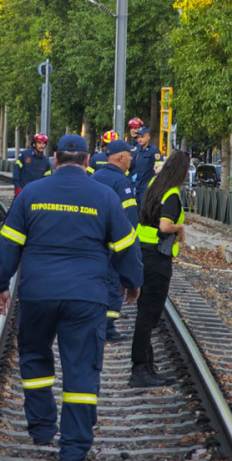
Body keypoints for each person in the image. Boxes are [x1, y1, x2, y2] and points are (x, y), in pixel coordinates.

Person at [0, 134, 143, 461]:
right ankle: (73, 450)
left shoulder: (32, 194)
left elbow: (9, 244)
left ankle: (43, 427)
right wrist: (133, 283)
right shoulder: (104, 196)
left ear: (55, 159)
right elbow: (127, 246)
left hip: (38, 292)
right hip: (86, 297)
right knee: (82, 369)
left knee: (33, 355)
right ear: (88, 161)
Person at [130, 150, 190, 388]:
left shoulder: (155, 185)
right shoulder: (173, 194)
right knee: (149, 314)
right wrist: (180, 228)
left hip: (143, 253)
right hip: (157, 259)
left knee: (145, 311)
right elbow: (165, 225)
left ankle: (147, 365)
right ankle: (139, 369)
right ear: (182, 172)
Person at [90, 139, 138, 343]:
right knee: (113, 282)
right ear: (120, 157)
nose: (131, 158)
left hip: (94, 241)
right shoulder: (121, 181)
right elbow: (129, 217)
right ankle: (107, 328)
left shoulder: (95, 177)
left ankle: (95, 323)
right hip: (114, 243)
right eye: (129, 154)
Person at [131, 127, 163, 205]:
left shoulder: (154, 151)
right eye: (138, 137)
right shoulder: (137, 150)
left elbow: (159, 167)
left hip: (147, 188)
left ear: (148, 137)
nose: (139, 139)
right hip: (136, 187)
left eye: (142, 137)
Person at [12, 133, 50, 197]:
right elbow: (16, 172)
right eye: (39, 143)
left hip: (37, 195)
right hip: (22, 193)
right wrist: (17, 187)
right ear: (34, 144)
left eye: (44, 143)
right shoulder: (24, 155)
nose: (42, 145)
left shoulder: (45, 162)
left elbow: (47, 180)